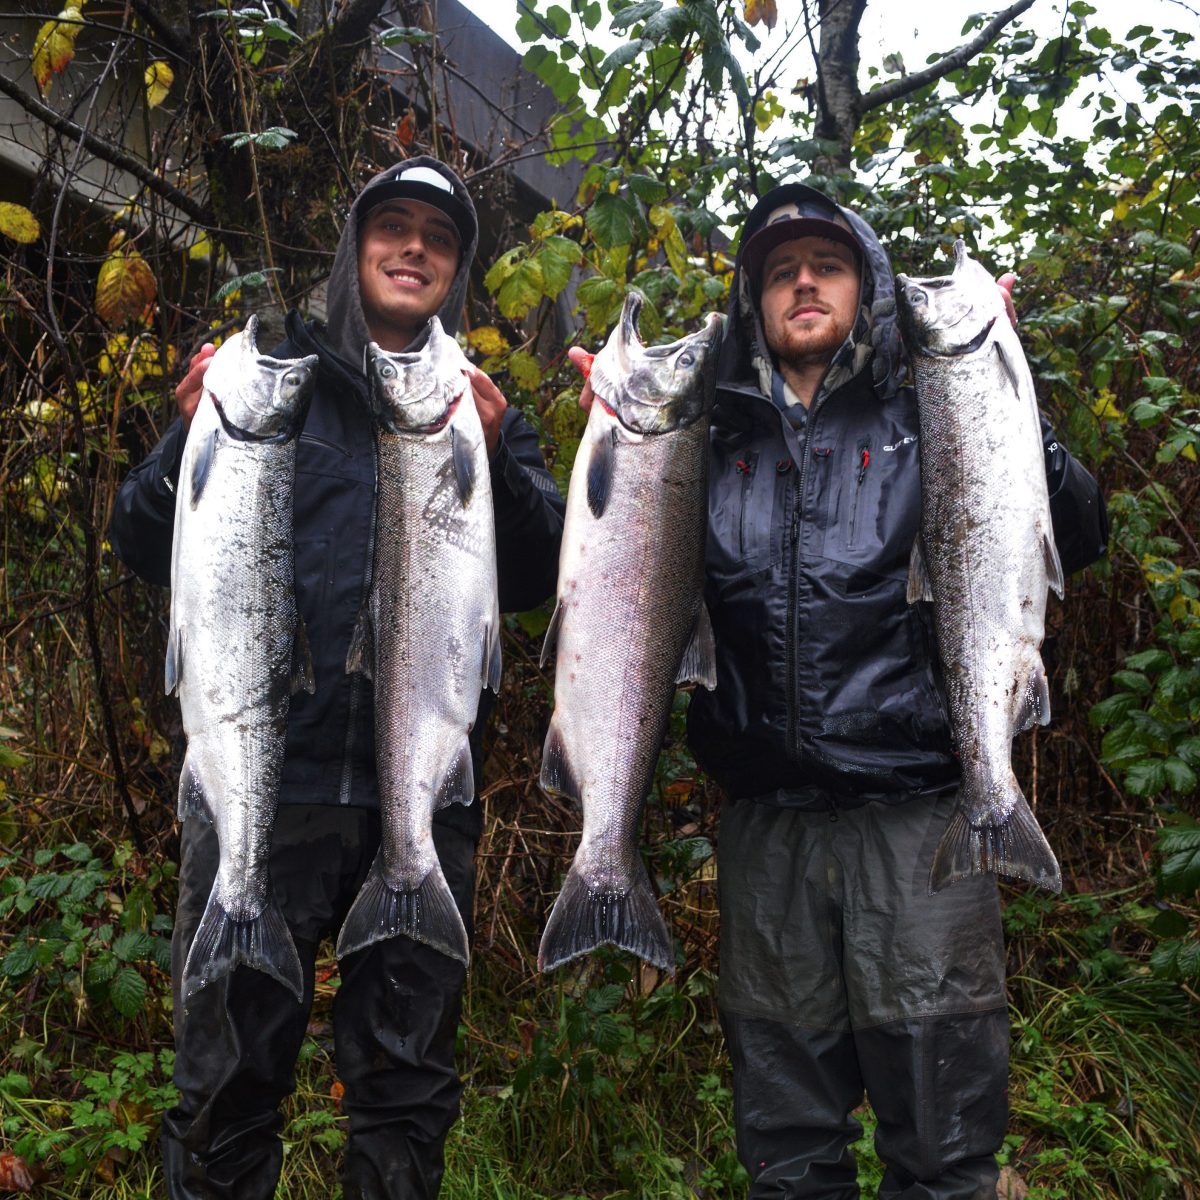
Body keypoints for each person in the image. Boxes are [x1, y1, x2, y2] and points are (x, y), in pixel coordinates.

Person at [574, 185, 1107, 1198]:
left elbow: (1073, 533)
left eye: (826, 265)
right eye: (780, 271)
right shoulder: (704, 435)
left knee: (944, 1150)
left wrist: (1010, 396)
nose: (804, 283)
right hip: (766, 834)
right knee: (785, 1153)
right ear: (754, 301)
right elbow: (613, 597)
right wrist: (615, 440)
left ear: (867, 290)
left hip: (917, 828)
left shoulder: (931, 408)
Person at [109, 157, 566, 1200]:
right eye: (392, 227)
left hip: (422, 795)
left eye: (438, 239)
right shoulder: (265, 380)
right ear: (354, 247)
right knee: (226, 1082)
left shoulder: (483, 409)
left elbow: (537, 580)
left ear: (456, 272)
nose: (413, 248)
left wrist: (496, 457)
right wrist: (187, 438)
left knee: (405, 1091)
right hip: (261, 787)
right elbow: (141, 544)